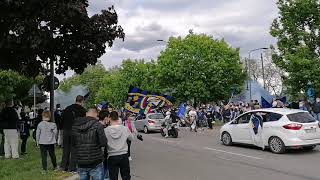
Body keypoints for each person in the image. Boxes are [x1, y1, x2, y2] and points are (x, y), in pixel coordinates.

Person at [72, 108, 107, 180]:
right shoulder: (98, 125)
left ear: (86, 114)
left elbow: (73, 143)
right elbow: (103, 143)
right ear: (95, 114)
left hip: (81, 161)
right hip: (95, 161)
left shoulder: (75, 126)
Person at [60, 95, 87, 172]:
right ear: (82, 101)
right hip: (76, 131)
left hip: (66, 130)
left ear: (75, 100)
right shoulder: (82, 110)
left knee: (66, 149)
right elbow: (83, 122)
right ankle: (72, 168)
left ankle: (64, 166)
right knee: (74, 149)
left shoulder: (67, 108)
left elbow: (62, 119)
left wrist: (62, 127)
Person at [105, 111, 133, 180]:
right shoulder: (125, 129)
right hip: (124, 155)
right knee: (126, 176)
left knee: (113, 177)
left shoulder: (105, 130)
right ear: (118, 118)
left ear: (109, 118)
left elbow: (103, 142)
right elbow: (131, 138)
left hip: (112, 156)